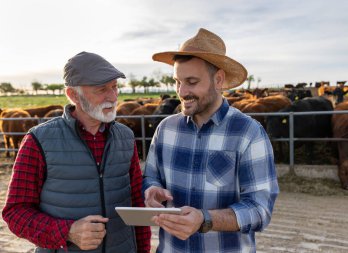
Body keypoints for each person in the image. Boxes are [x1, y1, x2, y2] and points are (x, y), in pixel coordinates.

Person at [143, 28, 279, 252]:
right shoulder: (165, 129)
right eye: (177, 82)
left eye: (192, 82)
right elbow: (151, 177)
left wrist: (205, 219)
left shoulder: (248, 133)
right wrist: (152, 189)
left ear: (218, 80)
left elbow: (260, 210)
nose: (182, 91)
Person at [2, 51, 151, 253]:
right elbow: (15, 212)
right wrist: (67, 232)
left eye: (115, 87)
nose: (113, 96)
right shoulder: (38, 141)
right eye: (102, 89)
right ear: (73, 95)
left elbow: (137, 205)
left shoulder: (125, 136)